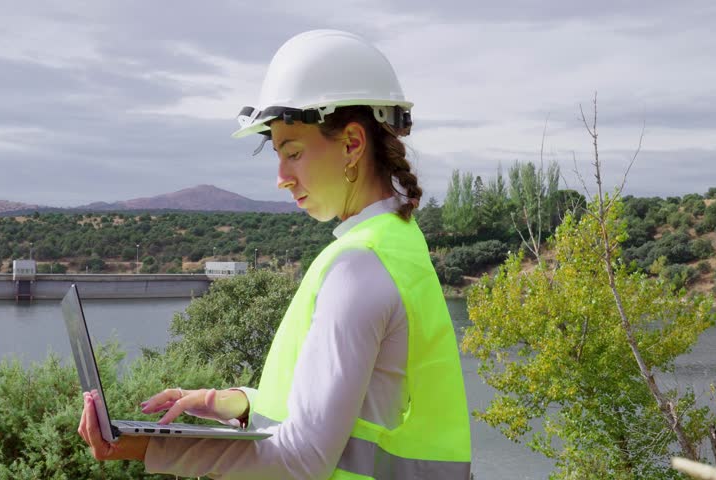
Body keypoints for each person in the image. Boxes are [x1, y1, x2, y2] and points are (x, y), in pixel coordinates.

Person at [78, 29, 472, 479]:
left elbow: (301, 460)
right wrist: (235, 403)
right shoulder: (398, 244)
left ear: (352, 144)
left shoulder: (359, 268)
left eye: (294, 152)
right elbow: (365, 412)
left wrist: (144, 446)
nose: (281, 177)